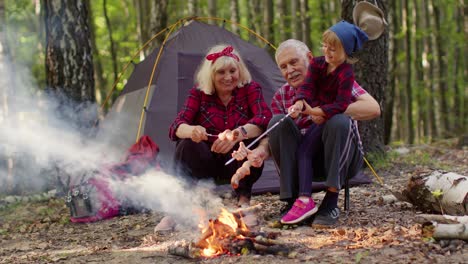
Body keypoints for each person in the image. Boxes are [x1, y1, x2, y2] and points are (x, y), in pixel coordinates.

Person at [232, 36, 379, 227]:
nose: (290, 70)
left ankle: (331, 203)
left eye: (294, 62)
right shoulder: (282, 96)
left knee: (338, 120)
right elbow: (273, 136)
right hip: (304, 163)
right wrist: (259, 153)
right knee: (277, 121)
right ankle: (293, 201)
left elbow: (373, 108)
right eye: (283, 67)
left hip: (342, 160)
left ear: (310, 58)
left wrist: (329, 108)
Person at [168, 44, 272, 207]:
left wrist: (237, 134)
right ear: (211, 74)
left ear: (240, 70)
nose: (228, 77)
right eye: (221, 72)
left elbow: (264, 119)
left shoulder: (250, 89)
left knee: (248, 146)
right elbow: (176, 127)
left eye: (232, 71)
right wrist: (192, 130)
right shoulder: (198, 93)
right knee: (186, 144)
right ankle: (188, 206)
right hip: (206, 163)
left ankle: (243, 201)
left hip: (237, 162)